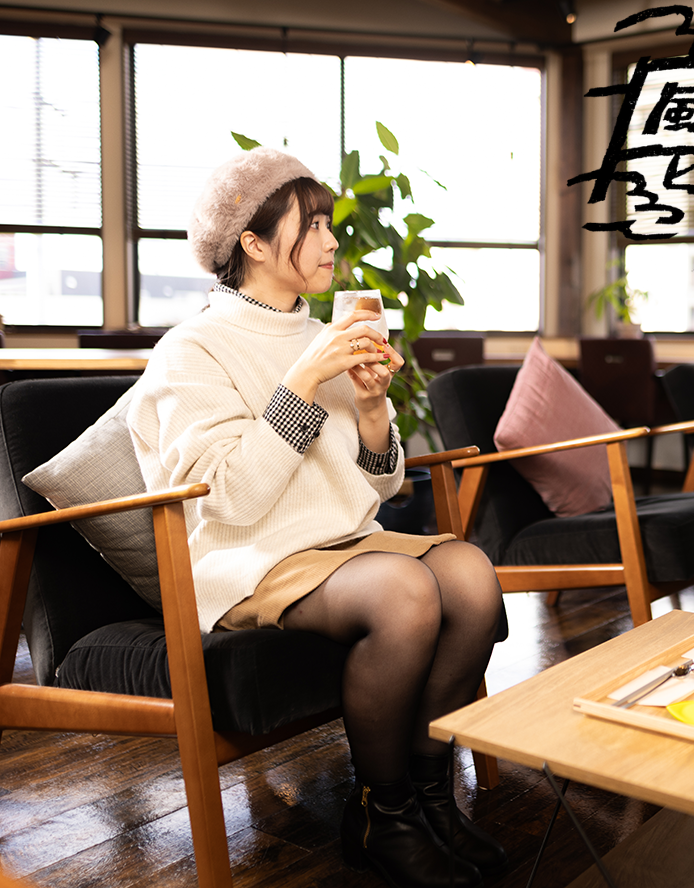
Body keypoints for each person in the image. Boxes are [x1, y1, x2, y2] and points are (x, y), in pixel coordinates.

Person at [126, 147, 506, 888]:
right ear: (253, 242)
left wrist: (371, 407)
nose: (333, 241)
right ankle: (383, 813)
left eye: (330, 224)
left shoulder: (319, 335)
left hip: (346, 544)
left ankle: (430, 796)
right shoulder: (191, 351)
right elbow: (229, 499)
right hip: (251, 559)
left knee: (470, 573)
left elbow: (382, 487)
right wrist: (302, 382)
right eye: (313, 226)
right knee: (405, 591)